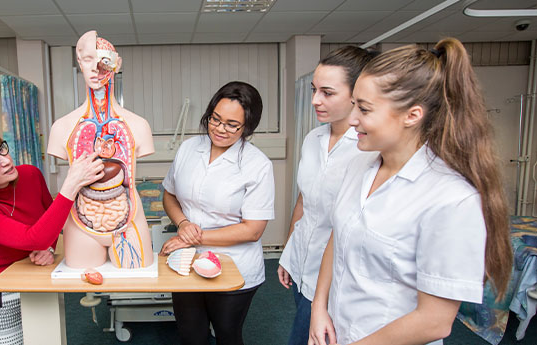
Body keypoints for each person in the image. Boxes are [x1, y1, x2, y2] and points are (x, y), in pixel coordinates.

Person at [308, 38, 513, 345]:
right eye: (354, 106)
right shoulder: (359, 164)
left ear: (412, 115)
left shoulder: (451, 199)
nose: (352, 121)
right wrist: (319, 306)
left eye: (364, 109)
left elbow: (435, 322)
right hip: (338, 330)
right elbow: (339, 235)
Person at [0, 127, 104, 345]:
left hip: (34, 278)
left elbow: (49, 219)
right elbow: (33, 239)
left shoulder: (30, 174)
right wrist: (71, 184)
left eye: (1, 150)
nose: (5, 161)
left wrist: (50, 248)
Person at [160, 81, 275, 345]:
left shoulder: (257, 165)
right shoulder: (189, 148)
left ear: (248, 126)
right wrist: (183, 222)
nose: (220, 129)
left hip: (233, 265)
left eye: (232, 124)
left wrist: (192, 237)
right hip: (186, 262)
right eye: (215, 119)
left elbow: (253, 229)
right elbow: (169, 194)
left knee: (227, 336)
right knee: (191, 336)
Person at [277, 46, 378, 345]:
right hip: (301, 262)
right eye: (313, 90)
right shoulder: (313, 139)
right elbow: (304, 199)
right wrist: (288, 252)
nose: (314, 100)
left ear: (356, 94)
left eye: (327, 92)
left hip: (336, 278)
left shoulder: (368, 149)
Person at [47, 30, 155, 269]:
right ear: (79, 63)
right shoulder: (61, 127)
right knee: (79, 280)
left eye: (103, 60)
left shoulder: (139, 126)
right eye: (88, 60)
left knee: (136, 281)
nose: (96, 68)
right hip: (80, 222)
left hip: (129, 219)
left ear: (117, 65)